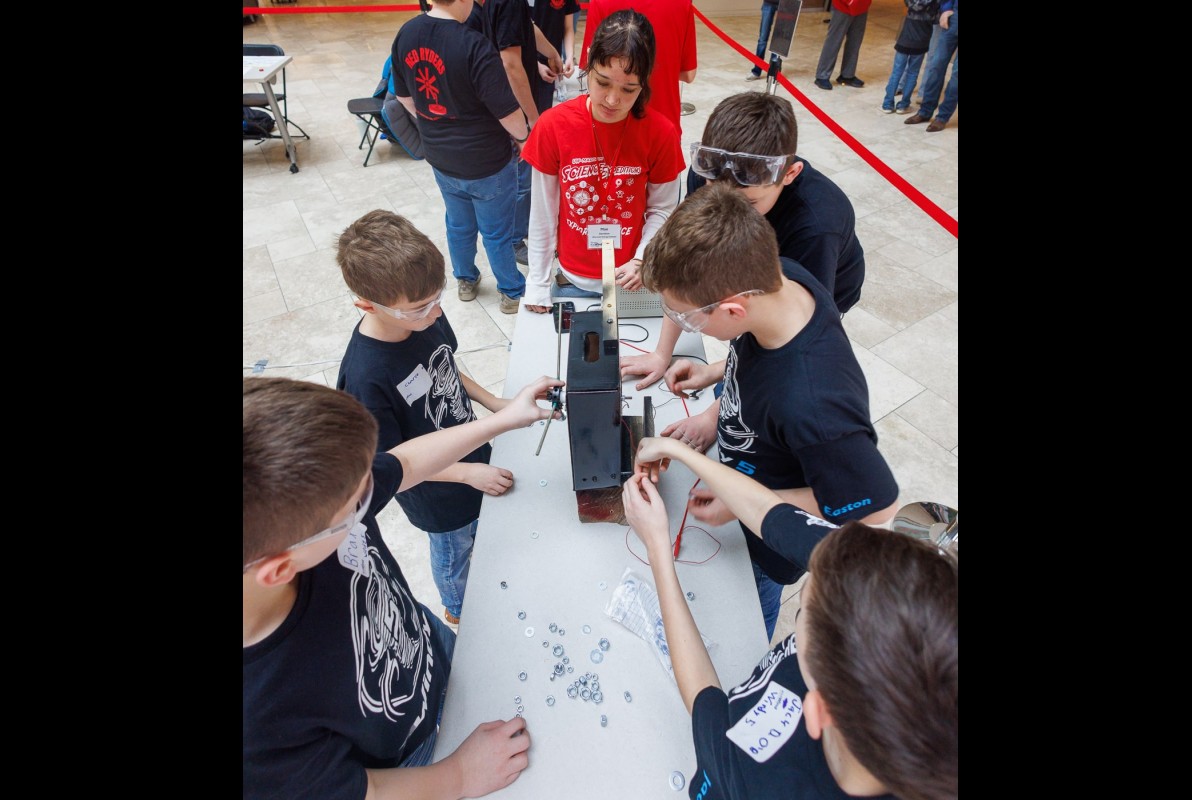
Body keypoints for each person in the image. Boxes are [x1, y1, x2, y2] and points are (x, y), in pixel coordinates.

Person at [243, 373, 563, 799]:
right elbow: (359, 791)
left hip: (426, 646)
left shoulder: (306, 509)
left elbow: (405, 465)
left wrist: (501, 420)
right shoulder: (256, 718)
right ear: (280, 569)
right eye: (358, 502)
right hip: (415, 762)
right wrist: (461, 776)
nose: (372, 493)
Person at [621, 439, 958, 800]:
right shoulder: (863, 582)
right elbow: (771, 514)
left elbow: (704, 698)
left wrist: (657, 546)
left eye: (801, 613)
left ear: (816, 710)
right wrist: (678, 451)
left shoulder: (750, 777)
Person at [636, 182, 900, 639]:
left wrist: (743, 502)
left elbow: (874, 508)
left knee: (745, 628)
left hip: (769, 541)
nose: (682, 325)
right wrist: (717, 386)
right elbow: (758, 366)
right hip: (745, 476)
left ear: (735, 309)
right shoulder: (782, 276)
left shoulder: (813, 405)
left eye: (687, 317)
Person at [334, 209, 521, 626]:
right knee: (454, 551)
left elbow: (446, 365)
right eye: (421, 308)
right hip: (437, 494)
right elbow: (393, 463)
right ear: (367, 305)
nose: (436, 314)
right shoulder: (365, 378)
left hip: (468, 447)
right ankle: (456, 610)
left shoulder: (424, 316)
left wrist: (492, 401)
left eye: (438, 300)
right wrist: (467, 474)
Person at [620, 91, 866, 390]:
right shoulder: (713, 177)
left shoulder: (817, 225)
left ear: (789, 174)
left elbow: (792, 332)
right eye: (714, 190)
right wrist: (661, 354)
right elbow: (683, 265)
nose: (729, 210)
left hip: (824, 279)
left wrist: (716, 406)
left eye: (749, 203)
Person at [521, 9, 685, 311]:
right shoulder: (553, 125)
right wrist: (538, 282)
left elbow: (662, 208)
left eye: (628, 89)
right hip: (571, 278)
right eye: (603, 82)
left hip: (632, 278)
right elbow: (543, 211)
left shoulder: (661, 133)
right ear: (588, 66)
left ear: (644, 84)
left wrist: (642, 257)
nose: (612, 99)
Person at [391, 0, 531, 314]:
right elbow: (507, 111)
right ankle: (511, 291)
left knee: (458, 224)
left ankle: (465, 280)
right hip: (486, 161)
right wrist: (524, 139)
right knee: (496, 232)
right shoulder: (473, 44)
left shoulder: (406, 33)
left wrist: (431, 122)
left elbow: (402, 95)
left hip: (441, 158)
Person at [474, 0, 566, 269]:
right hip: (510, 106)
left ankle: (521, 232)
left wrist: (551, 53)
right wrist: (533, 120)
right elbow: (510, 65)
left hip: (502, 101)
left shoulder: (511, 6)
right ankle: (515, 239)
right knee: (522, 178)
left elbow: (525, 27)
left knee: (524, 176)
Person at [580, 0, 697, 139]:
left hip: (610, 125)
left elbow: (591, 65)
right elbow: (688, 74)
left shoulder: (601, 2)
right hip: (663, 123)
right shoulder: (682, 4)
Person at [905, 0, 957, 132]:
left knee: (956, 77)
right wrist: (946, 9)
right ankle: (925, 111)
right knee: (936, 65)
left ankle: (942, 117)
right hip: (954, 17)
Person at [882, 0, 939, 114]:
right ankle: (903, 105)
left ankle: (888, 104)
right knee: (913, 73)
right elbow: (936, 19)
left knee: (896, 72)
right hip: (922, 40)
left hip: (905, 38)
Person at [531, 0, 581, 112]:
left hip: (550, 63)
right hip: (525, 60)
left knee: (543, 110)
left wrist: (569, 56)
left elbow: (568, 27)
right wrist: (535, 63)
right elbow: (521, 29)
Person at [813, 0, 872, 91]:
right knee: (834, 41)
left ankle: (847, 75)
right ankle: (822, 76)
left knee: (855, 41)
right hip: (843, 5)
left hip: (862, 6)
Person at [745, 0, 779, 81]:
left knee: (778, 41)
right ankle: (756, 71)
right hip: (769, 3)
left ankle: (774, 74)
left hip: (786, 5)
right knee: (762, 39)